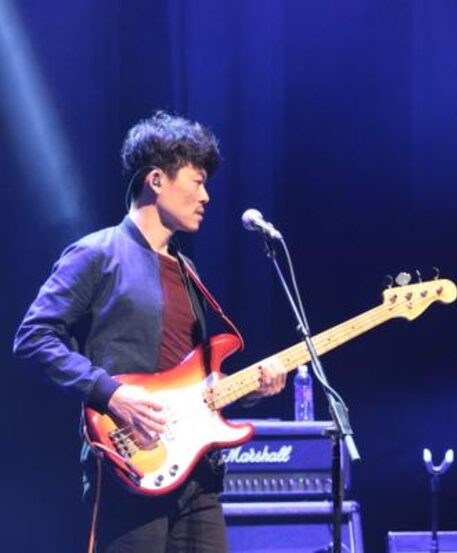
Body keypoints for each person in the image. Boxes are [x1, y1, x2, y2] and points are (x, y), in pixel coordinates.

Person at [13, 111, 286, 552]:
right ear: (156, 180)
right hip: (130, 466)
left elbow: (198, 377)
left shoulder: (187, 270)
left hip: (198, 477)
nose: (207, 196)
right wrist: (111, 394)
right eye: (197, 181)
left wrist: (253, 387)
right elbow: (34, 336)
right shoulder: (96, 253)